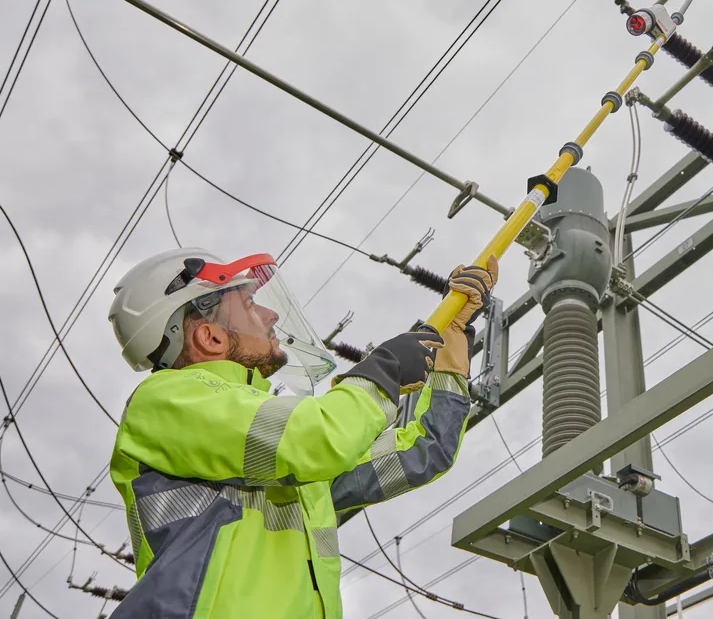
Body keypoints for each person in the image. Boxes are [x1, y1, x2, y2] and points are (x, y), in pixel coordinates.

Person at [105, 248, 497, 618]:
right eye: (249, 304)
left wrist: (451, 340)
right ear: (211, 337)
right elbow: (320, 436)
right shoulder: (167, 400)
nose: (271, 314)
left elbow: (425, 450)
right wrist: (384, 369)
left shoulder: (274, 452)